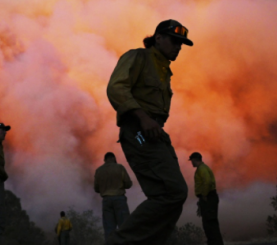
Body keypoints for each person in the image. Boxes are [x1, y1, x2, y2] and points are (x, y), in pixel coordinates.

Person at [106, 19, 193, 245]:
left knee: (171, 195)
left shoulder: (164, 69)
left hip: (154, 132)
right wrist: (143, 118)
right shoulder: (138, 57)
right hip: (139, 130)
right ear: (158, 38)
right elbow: (116, 88)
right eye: (175, 41)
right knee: (173, 192)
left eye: (181, 44)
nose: (178, 47)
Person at [94, 152, 133, 241]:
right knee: (124, 227)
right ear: (114, 158)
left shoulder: (99, 170)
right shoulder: (120, 167)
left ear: (105, 160)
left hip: (106, 200)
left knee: (109, 230)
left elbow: (96, 189)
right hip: (119, 199)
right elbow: (128, 184)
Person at [189, 152, 224, 245]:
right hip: (209, 197)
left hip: (208, 197)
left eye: (191, 160)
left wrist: (204, 195)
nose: (191, 163)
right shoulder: (203, 168)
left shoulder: (202, 169)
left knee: (210, 224)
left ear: (195, 159)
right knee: (209, 223)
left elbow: (207, 181)